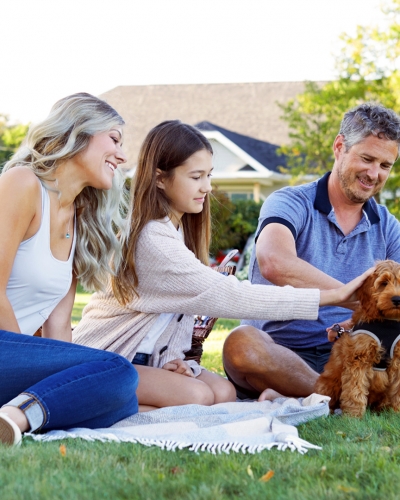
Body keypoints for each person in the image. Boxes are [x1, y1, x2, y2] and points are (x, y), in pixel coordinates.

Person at [73, 120, 372, 412]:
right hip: (106, 358)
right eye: (195, 177)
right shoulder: (151, 238)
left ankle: (141, 397)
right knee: (198, 397)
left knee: (223, 392)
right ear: (160, 178)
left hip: (146, 359)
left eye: (209, 175)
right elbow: (232, 296)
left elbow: (175, 313)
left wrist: (178, 361)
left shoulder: (177, 232)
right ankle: (96, 404)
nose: (207, 187)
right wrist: (334, 295)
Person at [222, 103, 400, 401]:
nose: (374, 174)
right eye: (367, 158)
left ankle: (309, 396)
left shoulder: (388, 226)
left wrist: (361, 323)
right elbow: (274, 262)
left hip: (354, 355)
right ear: (340, 147)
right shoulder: (290, 203)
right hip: (280, 353)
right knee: (241, 344)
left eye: (385, 166)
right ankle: (334, 395)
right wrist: (354, 299)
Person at [0, 93, 139, 446]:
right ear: (79, 132)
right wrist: (29, 362)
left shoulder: (79, 221)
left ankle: (20, 411)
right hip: (6, 349)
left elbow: (58, 325)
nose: (122, 156)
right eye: (114, 139)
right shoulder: (23, 183)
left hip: (12, 354)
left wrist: (55, 364)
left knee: (125, 397)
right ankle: (16, 415)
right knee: (117, 371)